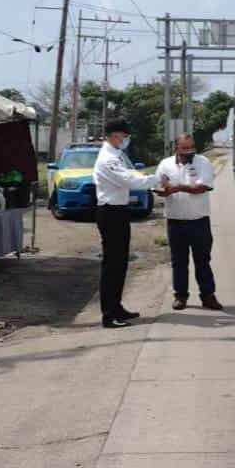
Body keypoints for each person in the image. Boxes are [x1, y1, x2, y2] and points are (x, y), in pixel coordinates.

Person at [94, 120, 160, 328]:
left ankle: (116, 307)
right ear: (114, 135)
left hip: (118, 211)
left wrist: (149, 178)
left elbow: (132, 175)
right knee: (112, 264)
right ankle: (109, 315)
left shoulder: (117, 155)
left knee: (120, 263)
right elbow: (130, 182)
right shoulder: (108, 159)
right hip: (110, 213)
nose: (125, 140)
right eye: (123, 136)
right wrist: (157, 179)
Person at [156, 134, 222, 311]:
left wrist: (178, 187)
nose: (189, 152)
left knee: (202, 261)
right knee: (178, 262)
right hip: (175, 221)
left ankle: (208, 296)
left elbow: (202, 187)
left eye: (191, 147)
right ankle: (180, 296)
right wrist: (163, 191)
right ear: (175, 147)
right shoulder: (165, 164)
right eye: (184, 148)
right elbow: (159, 185)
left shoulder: (203, 162)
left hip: (198, 221)